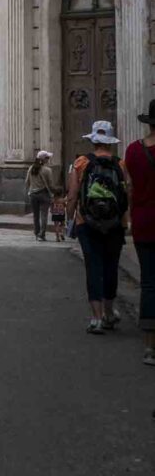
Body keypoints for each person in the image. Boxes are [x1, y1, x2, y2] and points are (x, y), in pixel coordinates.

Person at [66, 121, 128, 335]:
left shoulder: (81, 163)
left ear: (93, 140)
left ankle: (96, 318)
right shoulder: (120, 165)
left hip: (87, 223)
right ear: (110, 142)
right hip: (114, 224)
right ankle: (110, 312)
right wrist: (124, 222)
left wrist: (70, 219)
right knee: (111, 267)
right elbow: (125, 196)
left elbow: (73, 195)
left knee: (93, 268)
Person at [125, 101, 155, 365]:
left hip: (144, 222)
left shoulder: (134, 151)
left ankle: (149, 346)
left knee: (148, 283)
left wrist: (129, 220)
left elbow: (131, 189)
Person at [25, 150, 54, 241]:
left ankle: (37, 232)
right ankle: (42, 234)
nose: (48, 159)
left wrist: (31, 189)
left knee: (35, 215)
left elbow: (27, 182)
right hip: (44, 194)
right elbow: (50, 184)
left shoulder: (31, 168)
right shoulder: (48, 170)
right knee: (44, 215)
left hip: (33, 194)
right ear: (44, 160)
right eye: (47, 158)